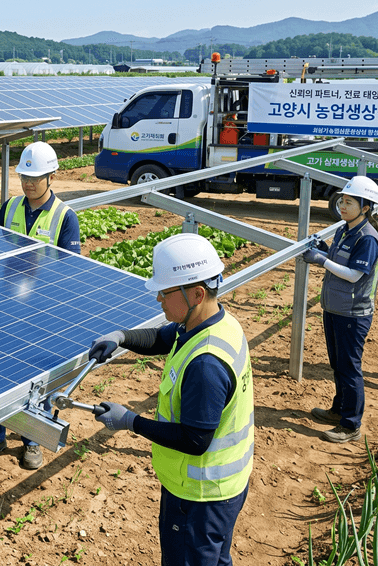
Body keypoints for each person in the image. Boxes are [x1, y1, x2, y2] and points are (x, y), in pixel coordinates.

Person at [87, 233, 253, 566]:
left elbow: (194, 440)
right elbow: (163, 338)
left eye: (165, 293)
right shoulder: (211, 322)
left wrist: (129, 421)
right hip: (221, 488)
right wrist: (122, 338)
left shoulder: (206, 363)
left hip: (200, 497)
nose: (159, 300)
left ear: (196, 293)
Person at [0, 140, 81, 470]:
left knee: (37, 377)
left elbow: (74, 271)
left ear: (52, 177)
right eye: (24, 177)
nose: (29, 183)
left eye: (36, 177)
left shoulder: (65, 217)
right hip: (7, 303)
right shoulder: (10, 208)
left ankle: (32, 441)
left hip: (43, 310)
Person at [302, 176, 378, 443]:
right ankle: (339, 410)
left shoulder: (367, 238)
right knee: (338, 364)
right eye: (341, 201)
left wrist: (321, 260)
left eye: (349, 202)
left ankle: (350, 425)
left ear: (366, 207)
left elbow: (353, 275)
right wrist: (325, 249)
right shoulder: (345, 229)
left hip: (352, 313)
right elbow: (339, 259)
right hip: (335, 308)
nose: (343, 206)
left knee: (349, 368)